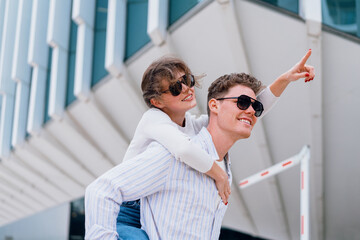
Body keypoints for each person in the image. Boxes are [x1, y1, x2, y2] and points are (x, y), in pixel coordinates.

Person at [85, 51, 314, 239]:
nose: (186, 88)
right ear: (157, 102)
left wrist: (284, 80)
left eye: (187, 81)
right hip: (128, 209)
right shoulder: (158, 128)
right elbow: (182, 150)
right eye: (175, 88)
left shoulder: (195, 127)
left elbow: (248, 111)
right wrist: (218, 174)